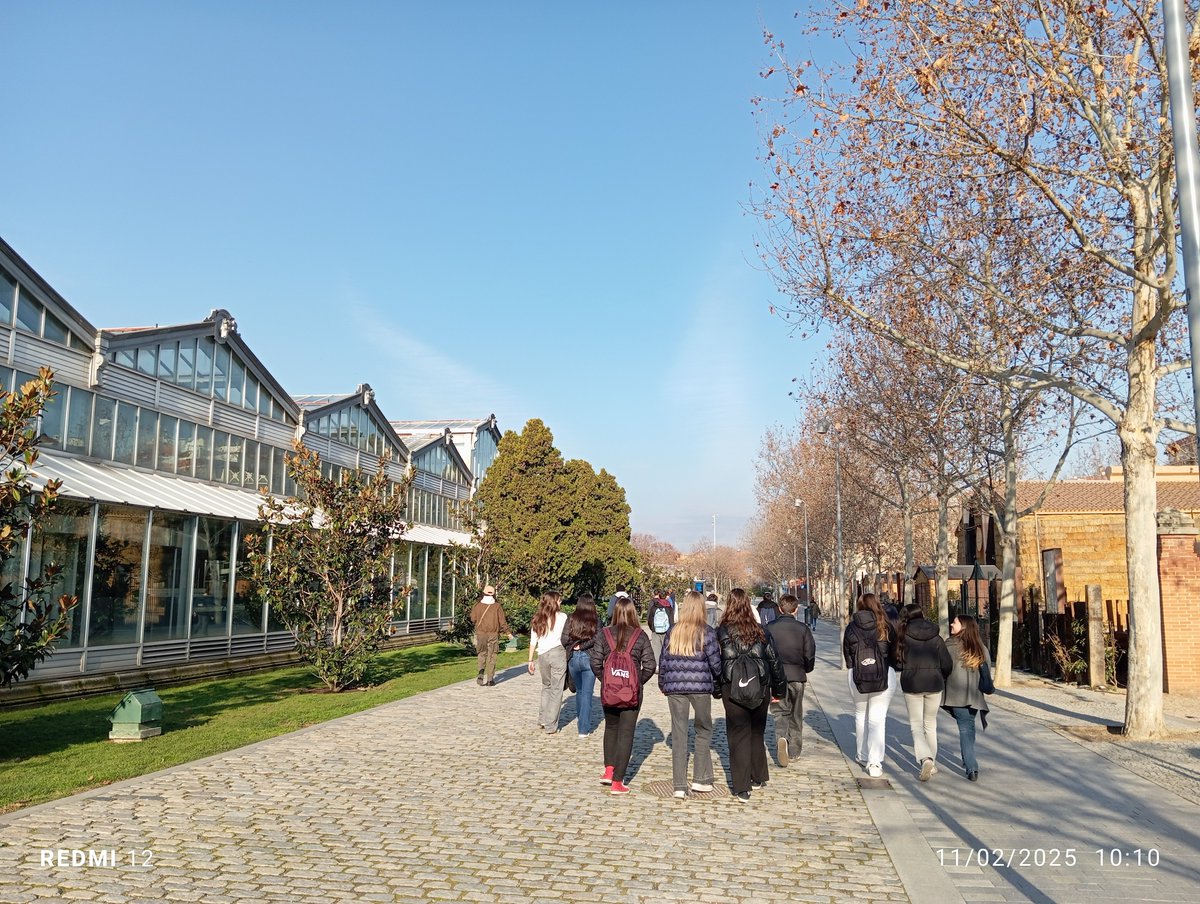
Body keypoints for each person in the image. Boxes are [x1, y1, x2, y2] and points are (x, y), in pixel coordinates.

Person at [717, 587, 786, 802]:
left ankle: (742, 786)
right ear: (748, 605)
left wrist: (717, 688)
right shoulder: (761, 631)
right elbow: (774, 661)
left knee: (738, 736)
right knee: (757, 732)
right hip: (760, 686)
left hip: (732, 687)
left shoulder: (722, 631)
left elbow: (715, 662)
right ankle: (758, 776)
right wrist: (779, 689)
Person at [657, 590, 722, 798]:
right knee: (703, 729)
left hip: (675, 687)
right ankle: (701, 779)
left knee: (679, 733)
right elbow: (715, 663)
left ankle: (679, 785)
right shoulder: (708, 632)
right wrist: (718, 681)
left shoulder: (673, 631)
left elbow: (664, 660)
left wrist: (662, 683)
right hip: (700, 686)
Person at [590, 596, 656, 794]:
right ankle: (618, 781)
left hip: (609, 692)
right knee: (626, 733)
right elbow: (650, 665)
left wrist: (607, 682)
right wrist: (635, 684)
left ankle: (609, 770)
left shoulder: (604, 634)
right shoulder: (640, 636)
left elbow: (595, 662)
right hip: (632, 694)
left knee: (611, 728)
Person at [842, 592, 898, 778]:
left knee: (860, 715)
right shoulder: (886, 626)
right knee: (877, 719)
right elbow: (895, 653)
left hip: (857, 674)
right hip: (883, 674)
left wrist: (854, 667)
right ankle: (875, 763)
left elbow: (848, 655)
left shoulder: (851, 627)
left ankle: (862, 754)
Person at [896, 603, 952, 781]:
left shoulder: (903, 636)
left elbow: (897, 662)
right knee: (930, 724)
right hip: (934, 683)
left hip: (911, 683)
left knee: (916, 725)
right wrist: (941, 675)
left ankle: (925, 759)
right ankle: (932, 762)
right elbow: (947, 663)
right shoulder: (936, 637)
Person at [764, 594, 815, 767]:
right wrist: (806, 669)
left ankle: (781, 739)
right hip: (797, 676)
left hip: (776, 678)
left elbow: (765, 653)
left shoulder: (769, 627)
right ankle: (794, 750)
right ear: (796, 609)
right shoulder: (803, 629)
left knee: (779, 712)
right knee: (796, 713)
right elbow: (809, 654)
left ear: (779, 608)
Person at [942, 614, 991, 782]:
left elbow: (943, 668)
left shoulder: (950, 645)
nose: (951, 624)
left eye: (954, 622)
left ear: (963, 626)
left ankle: (971, 767)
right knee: (968, 727)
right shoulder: (980, 647)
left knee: (965, 728)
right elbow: (987, 672)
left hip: (956, 694)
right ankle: (969, 761)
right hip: (975, 695)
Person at [527, 591, 569, 733]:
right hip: (557, 653)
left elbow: (533, 641)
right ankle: (551, 724)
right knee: (556, 689)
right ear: (554, 602)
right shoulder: (562, 617)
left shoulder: (538, 618)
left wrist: (530, 659)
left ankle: (543, 718)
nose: (560, 603)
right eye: (559, 600)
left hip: (542, 654)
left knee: (546, 686)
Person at [561, 592, 600, 738]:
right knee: (587, 693)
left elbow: (564, 639)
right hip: (588, 656)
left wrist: (574, 645)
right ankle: (583, 728)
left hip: (574, 657)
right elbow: (598, 638)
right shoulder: (595, 619)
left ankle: (581, 720)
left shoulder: (571, 618)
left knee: (580, 691)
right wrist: (584, 645)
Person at [470, 584, 511, 687]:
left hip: (481, 634)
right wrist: (508, 633)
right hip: (493, 634)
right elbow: (502, 621)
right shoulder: (497, 606)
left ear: (483, 593)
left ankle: (480, 672)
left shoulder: (477, 605)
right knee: (492, 655)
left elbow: (472, 619)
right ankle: (490, 679)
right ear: (494, 594)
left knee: (481, 654)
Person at [646, 589, 675, 662]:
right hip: (666, 631)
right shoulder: (669, 607)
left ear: (659, 596)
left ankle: (657, 665)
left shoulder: (654, 607)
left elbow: (650, 619)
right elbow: (671, 620)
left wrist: (652, 628)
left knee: (656, 648)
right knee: (666, 647)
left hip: (655, 630)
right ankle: (665, 663)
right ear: (666, 597)